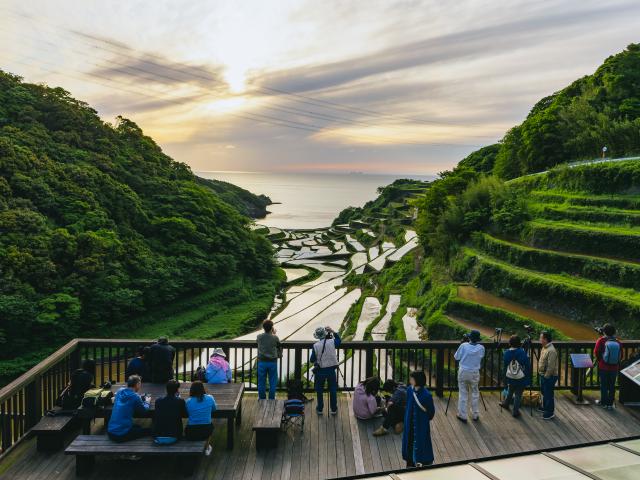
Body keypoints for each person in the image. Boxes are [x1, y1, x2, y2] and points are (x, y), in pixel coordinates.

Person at [402, 371, 435, 468]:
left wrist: (423, 420)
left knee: (421, 442)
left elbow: (431, 413)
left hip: (421, 425)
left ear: (418, 380)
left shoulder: (426, 395)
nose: (410, 380)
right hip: (409, 423)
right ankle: (410, 463)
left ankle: (420, 463)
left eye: (412, 378)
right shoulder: (409, 390)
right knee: (409, 442)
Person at [107, 375, 151, 442]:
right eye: (140, 384)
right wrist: (147, 402)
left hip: (110, 431)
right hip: (121, 435)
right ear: (137, 384)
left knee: (137, 426)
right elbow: (143, 412)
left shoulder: (119, 391)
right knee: (148, 430)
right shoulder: (135, 397)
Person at [453, 330, 485, 422]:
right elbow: (481, 356)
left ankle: (462, 415)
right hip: (475, 372)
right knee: (475, 392)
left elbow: (456, 357)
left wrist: (463, 344)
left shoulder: (463, 346)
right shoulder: (481, 348)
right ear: (478, 339)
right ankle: (475, 414)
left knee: (463, 393)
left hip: (463, 372)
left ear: (469, 338)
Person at [310, 326, 341, 415]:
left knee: (319, 390)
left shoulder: (315, 346)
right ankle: (334, 409)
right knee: (333, 389)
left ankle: (320, 409)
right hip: (331, 369)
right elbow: (339, 341)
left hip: (320, 371)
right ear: (325, 333)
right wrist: (333, 331)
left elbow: (312, 359)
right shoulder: (332, 342)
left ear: (317, 336)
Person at [499, 335, 531, 418]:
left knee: (510, 390)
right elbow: (527, 364)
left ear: (510, 343)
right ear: (519, 343)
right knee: (518, 394)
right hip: (520, 377)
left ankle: (506, 404)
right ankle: (515, 411)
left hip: (510, 376)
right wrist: (527, 377)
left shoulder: (506, 353)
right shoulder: (522, 352)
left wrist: (504, 378)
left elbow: (505, 366)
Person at [594, 324, 622, 410]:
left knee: (604, 385)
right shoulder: (618, 342)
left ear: (604, 332)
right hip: (614, 368)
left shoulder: (601, 340)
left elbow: (596, 352)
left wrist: (600, 360)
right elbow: (621, 356)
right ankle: (610, 403)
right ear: (614, 332)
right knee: (612, 385)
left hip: (603, 367)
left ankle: (604, 402)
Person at [185, 381, 216, 456]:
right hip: (206, 430)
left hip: (191, 431)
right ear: (203, 389)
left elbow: (187, 413)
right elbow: (214, 409)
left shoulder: (188, 401)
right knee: (211, 426)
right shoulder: (210, 398)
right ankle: (207, 446)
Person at [153, 380, 187, 445]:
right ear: (177, 390)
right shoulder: (180, 401)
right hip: (174, 436)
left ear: (166, 389)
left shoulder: (158, 401)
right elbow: (185, 415)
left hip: (157, 436)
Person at [256, 320, 282, 400]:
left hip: (262, 362)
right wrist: (274, 333)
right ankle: (271, 398)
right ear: (271, 328)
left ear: (263, 328)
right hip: (272, 362)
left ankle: (262, 398)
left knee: (261, 381)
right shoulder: (275, 337)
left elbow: (258, 342)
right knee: (272, 381)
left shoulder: (259, 336)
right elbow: (278, 345)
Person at [538, 331, 558, 420]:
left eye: (541, 338)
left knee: (548, 394)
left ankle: (550, 412)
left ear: (545, 339)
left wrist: (546, 376)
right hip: (543, 374)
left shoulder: (551, 350)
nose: (539, 340)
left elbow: (551, 366)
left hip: (549, 376)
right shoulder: (545, 348)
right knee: (544, 392)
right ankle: (545, 407)